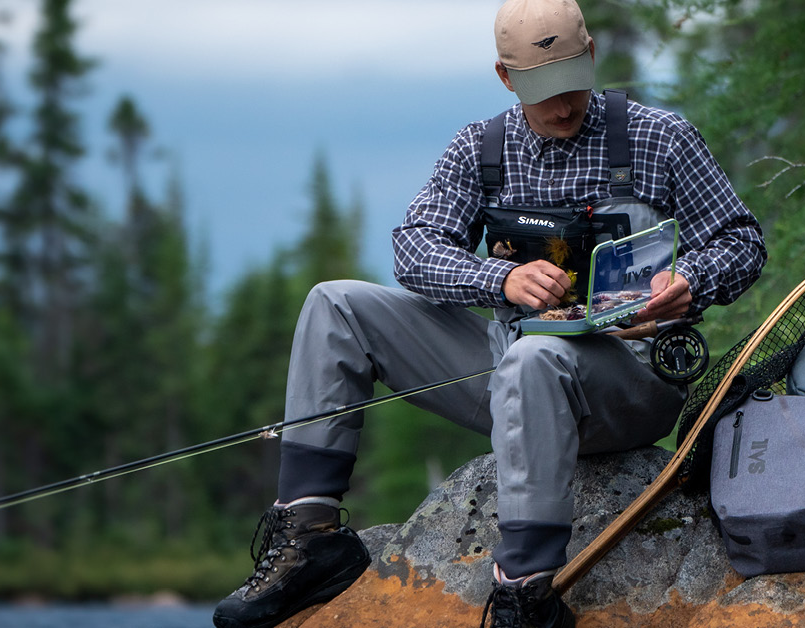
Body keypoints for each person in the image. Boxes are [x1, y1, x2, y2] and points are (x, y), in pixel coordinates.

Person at [212, 0, 766, 627]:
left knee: (536, 356)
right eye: (542, 90)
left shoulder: (661, 137)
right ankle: (310, 540)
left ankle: (525, 587)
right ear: (506, 77)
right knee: (334, 303)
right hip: (508, 375)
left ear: (590, 55)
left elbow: (741, 241)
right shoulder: (481, 149)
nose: (562, 105)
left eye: (571, 83)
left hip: (630, 386)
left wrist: (690, 280)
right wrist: (501, 278)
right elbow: (413, 249)